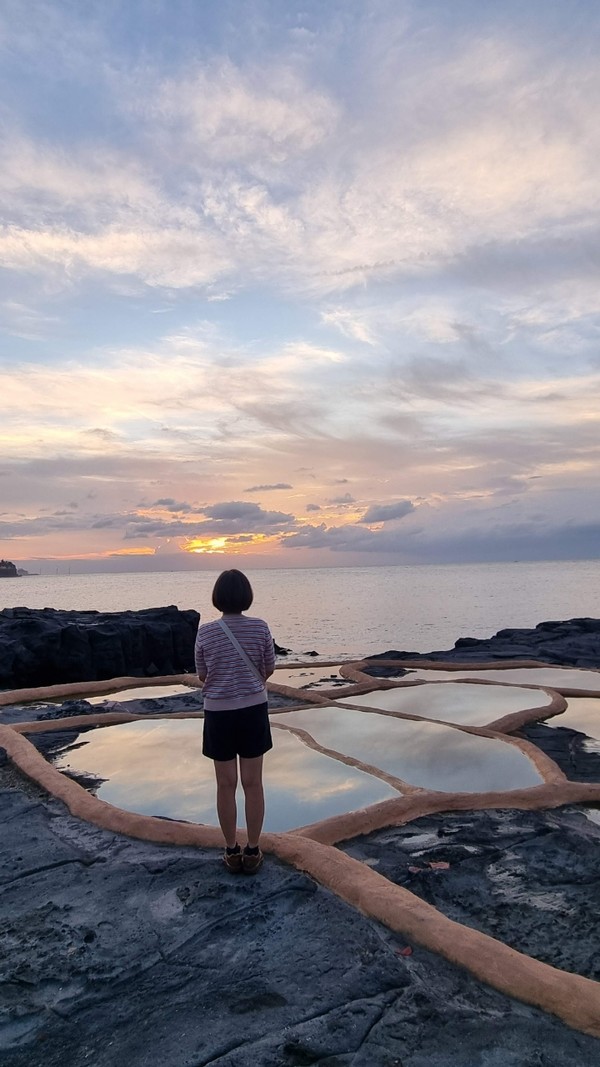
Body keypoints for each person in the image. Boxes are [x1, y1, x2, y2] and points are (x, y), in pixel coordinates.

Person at [195, 569, 275, 874]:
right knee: (253, 784)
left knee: (225, 785)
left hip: (219, 714)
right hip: (253, 710)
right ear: (246, 596)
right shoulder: (260, 627)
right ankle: (253, 850)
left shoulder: (206, 632)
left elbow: (202, 674)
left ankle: (231, 850)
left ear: (217, 597)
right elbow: (269, 668)